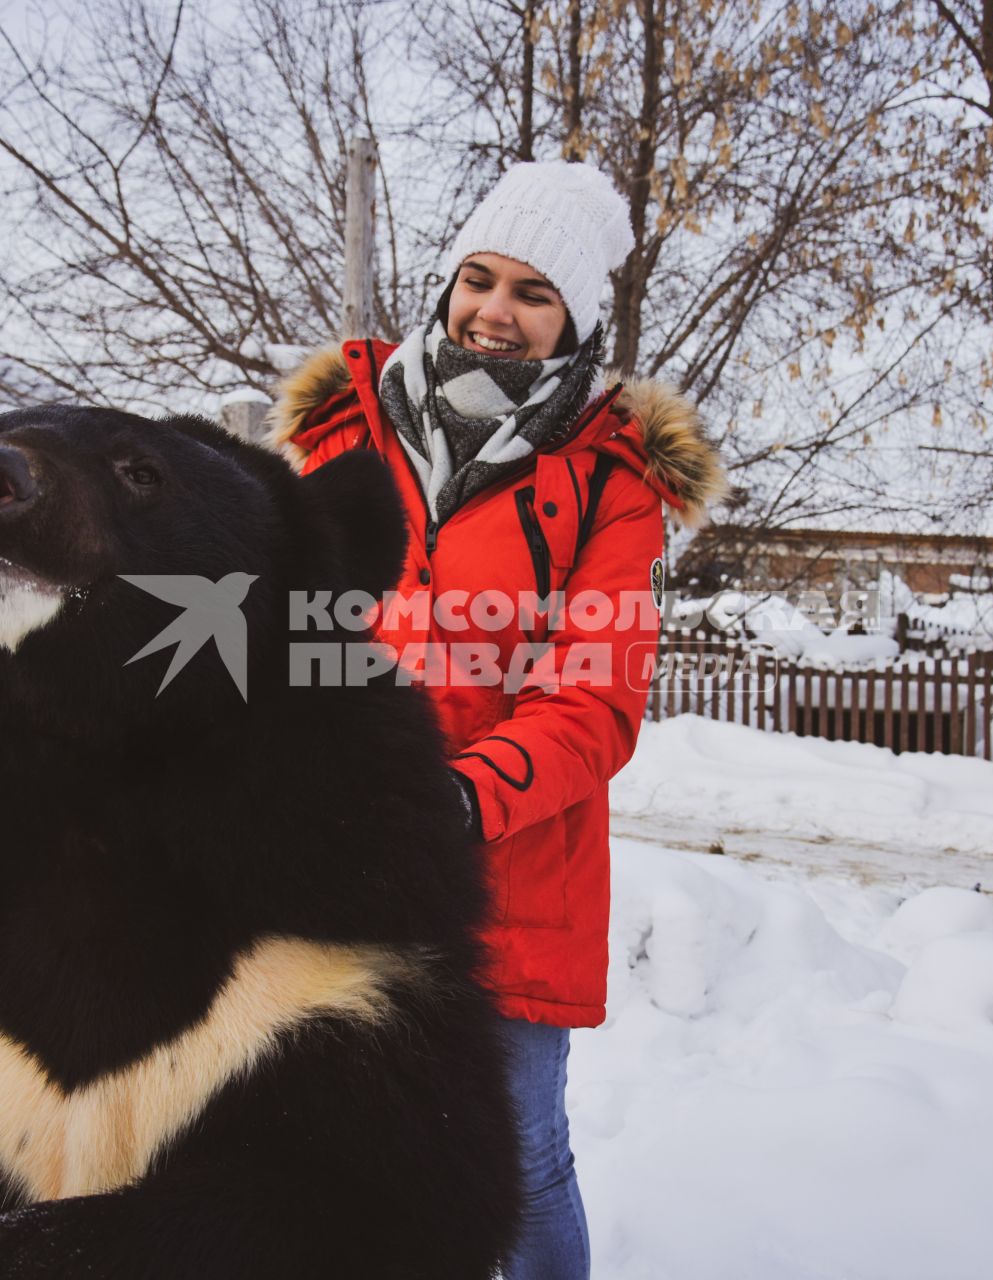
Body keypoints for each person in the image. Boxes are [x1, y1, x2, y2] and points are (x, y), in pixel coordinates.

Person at [271, 160, 724, 1280]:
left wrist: (459, 795)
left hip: (508, 871)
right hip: (335, 863)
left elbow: (594, 692)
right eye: (479, 279)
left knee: (514, 1154)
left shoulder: (613, 475)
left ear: (573, 318)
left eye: (533, 293)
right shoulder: (345, 434)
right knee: (323, 1146)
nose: (497, 311)